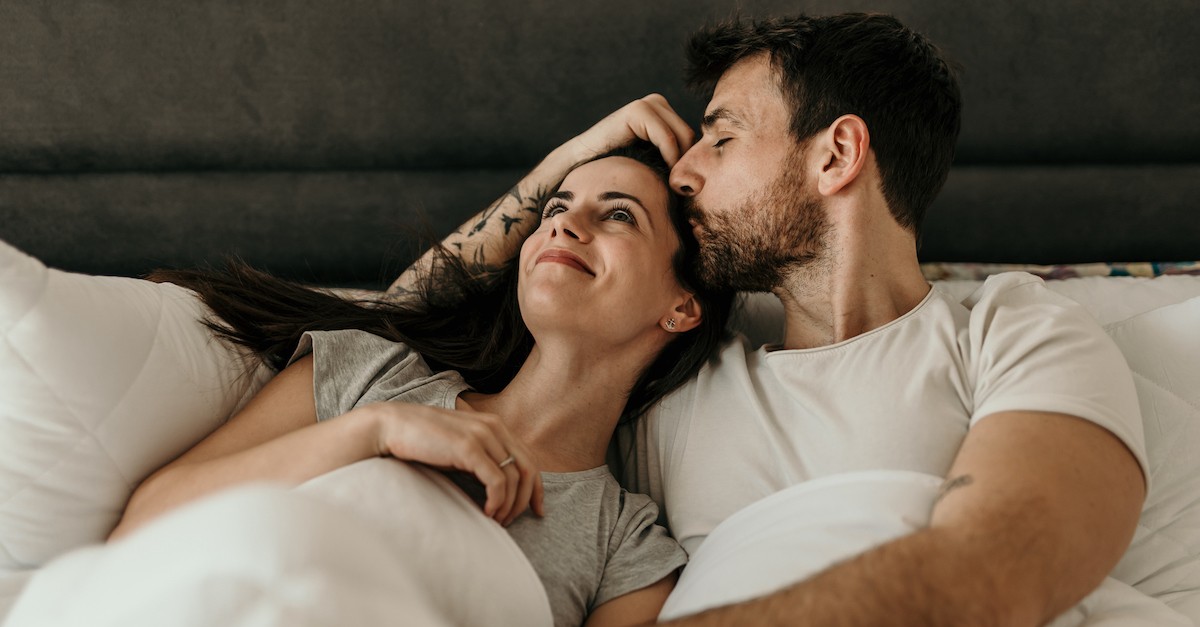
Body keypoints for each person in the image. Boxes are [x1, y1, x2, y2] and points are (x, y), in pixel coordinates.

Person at [398, 13, 1149, 627]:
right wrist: (566, 165)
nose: (684, 171)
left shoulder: (1013, 331)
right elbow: (389, 324)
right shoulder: (674, 362)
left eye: (721, 138)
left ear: (837, 156)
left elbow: (997, 570)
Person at [107, 142, 736, 627]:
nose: (562, 227)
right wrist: (374, 431)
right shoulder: (371, 374)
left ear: (681, 305)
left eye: (619, 216)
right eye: (556, 207)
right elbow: (143, 527)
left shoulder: (629, 550)